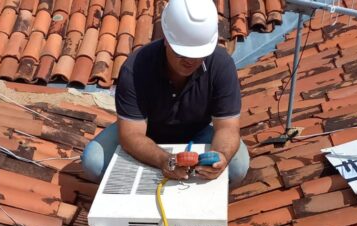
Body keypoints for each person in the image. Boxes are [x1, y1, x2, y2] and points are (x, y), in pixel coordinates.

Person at [82, 0, 249, 185]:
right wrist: (164, 160)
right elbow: (131, 134)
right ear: (166, 40)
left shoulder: (221, 65)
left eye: (197, 55)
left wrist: (221, 156)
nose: (190, 61)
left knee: (237, 166)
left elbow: (227, 127)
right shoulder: (135, 69)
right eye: (181, 53)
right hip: (146, 132)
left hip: (198, 131)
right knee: (94, 162)